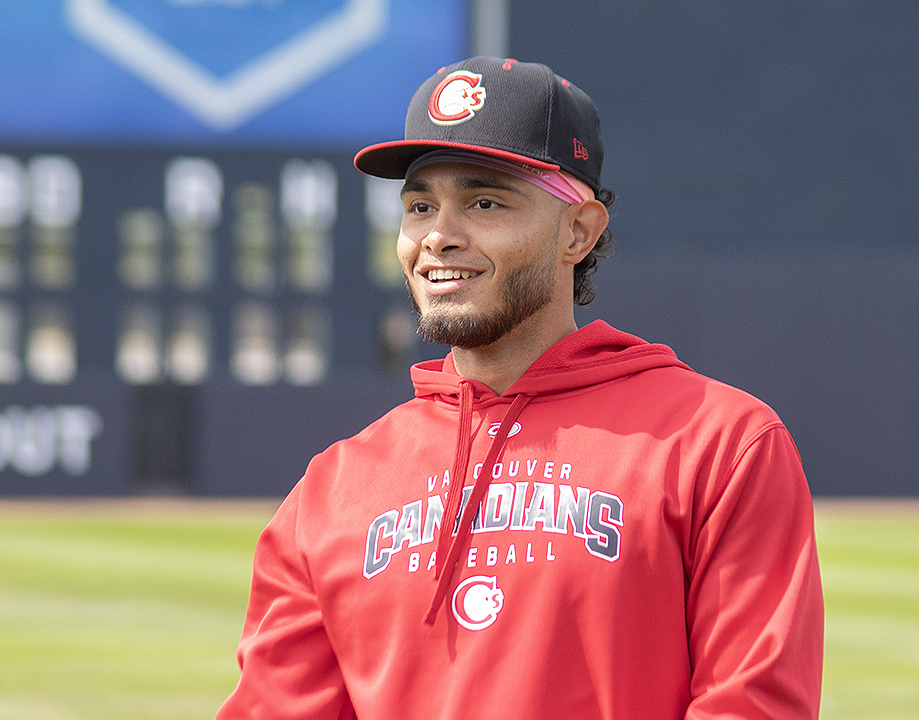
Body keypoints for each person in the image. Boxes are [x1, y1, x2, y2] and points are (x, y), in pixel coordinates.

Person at [217, 57, 823, 719]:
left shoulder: (719, 443)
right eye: (420, 206)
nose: (439, 237)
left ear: (579, 231)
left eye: (484, 201)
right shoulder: (331, 490)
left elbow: (754, 705)